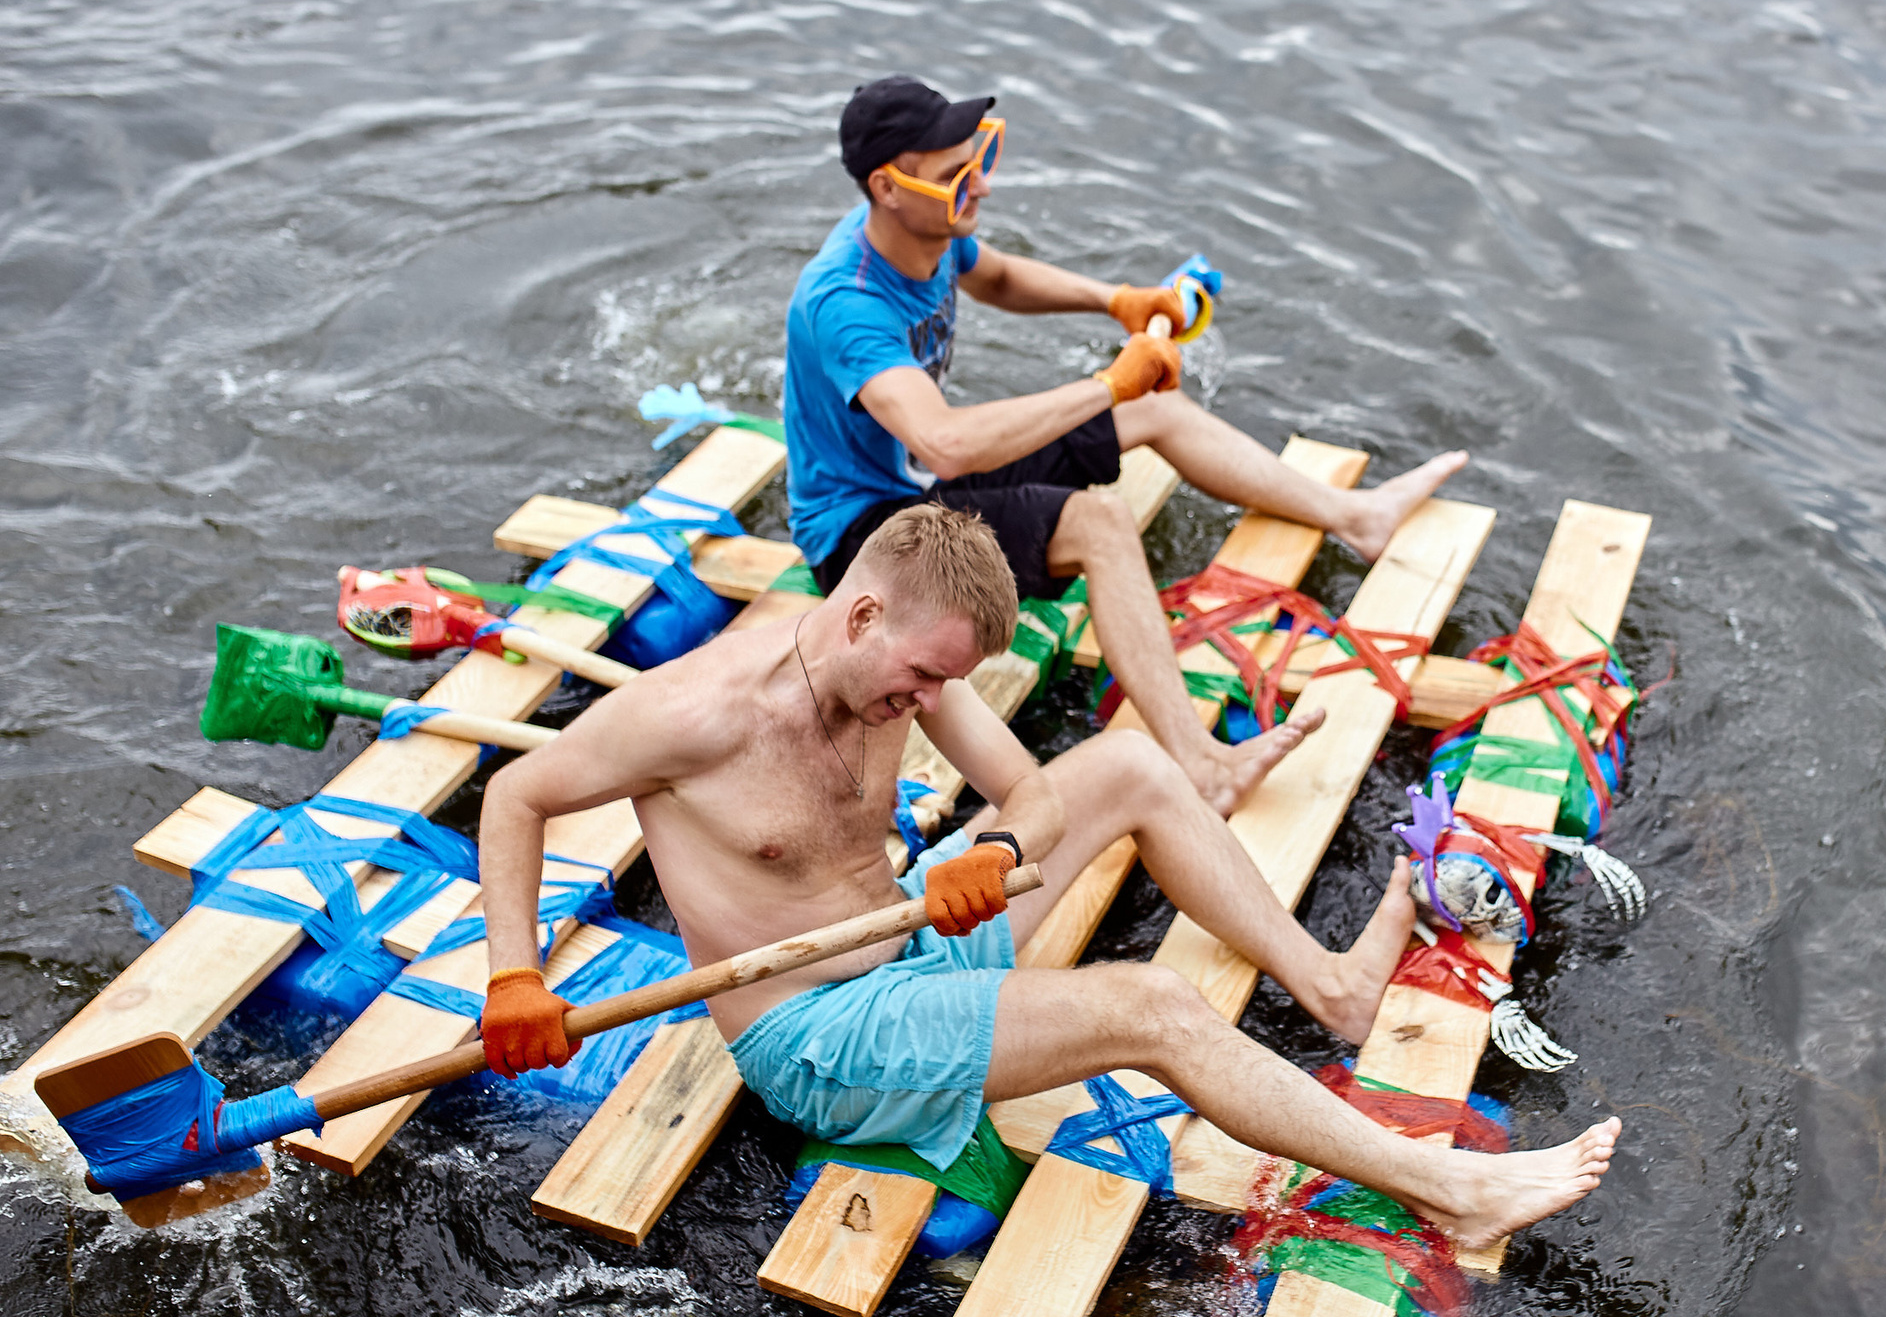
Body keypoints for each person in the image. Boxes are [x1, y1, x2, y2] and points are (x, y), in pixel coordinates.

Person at [473, 505, 1617, 1249]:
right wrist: (514, 978)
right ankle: (1446, 1188)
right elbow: (518, 798)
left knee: (1124, 760)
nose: (926, 706)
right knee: (1151, 1005)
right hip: (820, 1032)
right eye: (919, 679)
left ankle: (1334, 991)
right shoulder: (691, 717)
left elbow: (1032, 796)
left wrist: (996, 852)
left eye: (942, 686)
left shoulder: (908, 663)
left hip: (916, 939)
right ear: (864, 612)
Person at [782, 74, 1471, 816]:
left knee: (1158, 407)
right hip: (866, 529)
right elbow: (946, 442)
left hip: (920, 475)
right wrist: (1110, 382)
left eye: (980, 160)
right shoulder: (846, 302)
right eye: (956, 178)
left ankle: (1353, 517)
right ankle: (1203, 764)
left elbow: (1003, 275)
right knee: (1100, 524)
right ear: (887, 188)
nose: (977, 187)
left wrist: (1116, 299)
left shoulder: (932, 230)